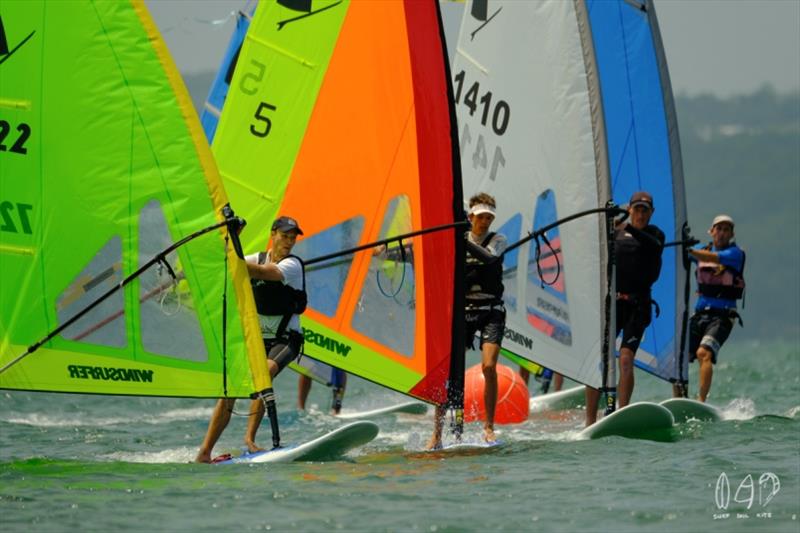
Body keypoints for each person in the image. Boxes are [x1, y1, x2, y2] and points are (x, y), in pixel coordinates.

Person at [195, 216, 306, 463]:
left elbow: (260, 272)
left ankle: (250, 440)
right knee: (230, 391)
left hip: (286, 339)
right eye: (285, 236)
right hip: (255, 338)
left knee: (262, 373)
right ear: (273, 234)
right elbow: (228, 264)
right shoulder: (256, 257)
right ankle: (204, 452)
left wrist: (233, 252)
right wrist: (231, 238)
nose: (289, 242)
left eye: (293, 237)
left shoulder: (292, 265)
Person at [427, 192, 508, 449]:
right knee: (448, 371)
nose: (485, 222)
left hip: (491, 311)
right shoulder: (456, 236)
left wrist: (460, 238)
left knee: (488, 367)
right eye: (481, 216)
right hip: (463, 310)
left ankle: (489, 427)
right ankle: (437, 435)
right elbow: (424, 252)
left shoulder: (498, 239)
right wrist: (389, 252)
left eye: (489, 217)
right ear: (470, 216)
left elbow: (489, 258)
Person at [585, 191, 665, 426]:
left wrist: (624, 225)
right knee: (598, 360)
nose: (640, 214)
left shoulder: (654, 234)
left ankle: (622, 412)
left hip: (638, 306)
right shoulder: (615, 234)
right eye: (637, 209)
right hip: (614, 303)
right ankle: (589, 420)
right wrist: (607, 223)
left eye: (645, 210)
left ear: (651, 213)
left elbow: (653, 245)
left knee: (626, 358)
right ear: (630, 209)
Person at [683, 214, 745, 402]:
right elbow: (684, 254)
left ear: (732, 234)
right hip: (700, 314)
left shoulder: (735, 254)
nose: (722, 233)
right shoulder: (700, 250)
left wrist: (689, 250)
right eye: (718, 229)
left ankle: (701, 401)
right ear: (711, 232)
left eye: (727, 230)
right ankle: (680, 398)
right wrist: (682, 244)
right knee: (680, 356)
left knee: (704, 353)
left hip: (723, 316)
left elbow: (712, 258)